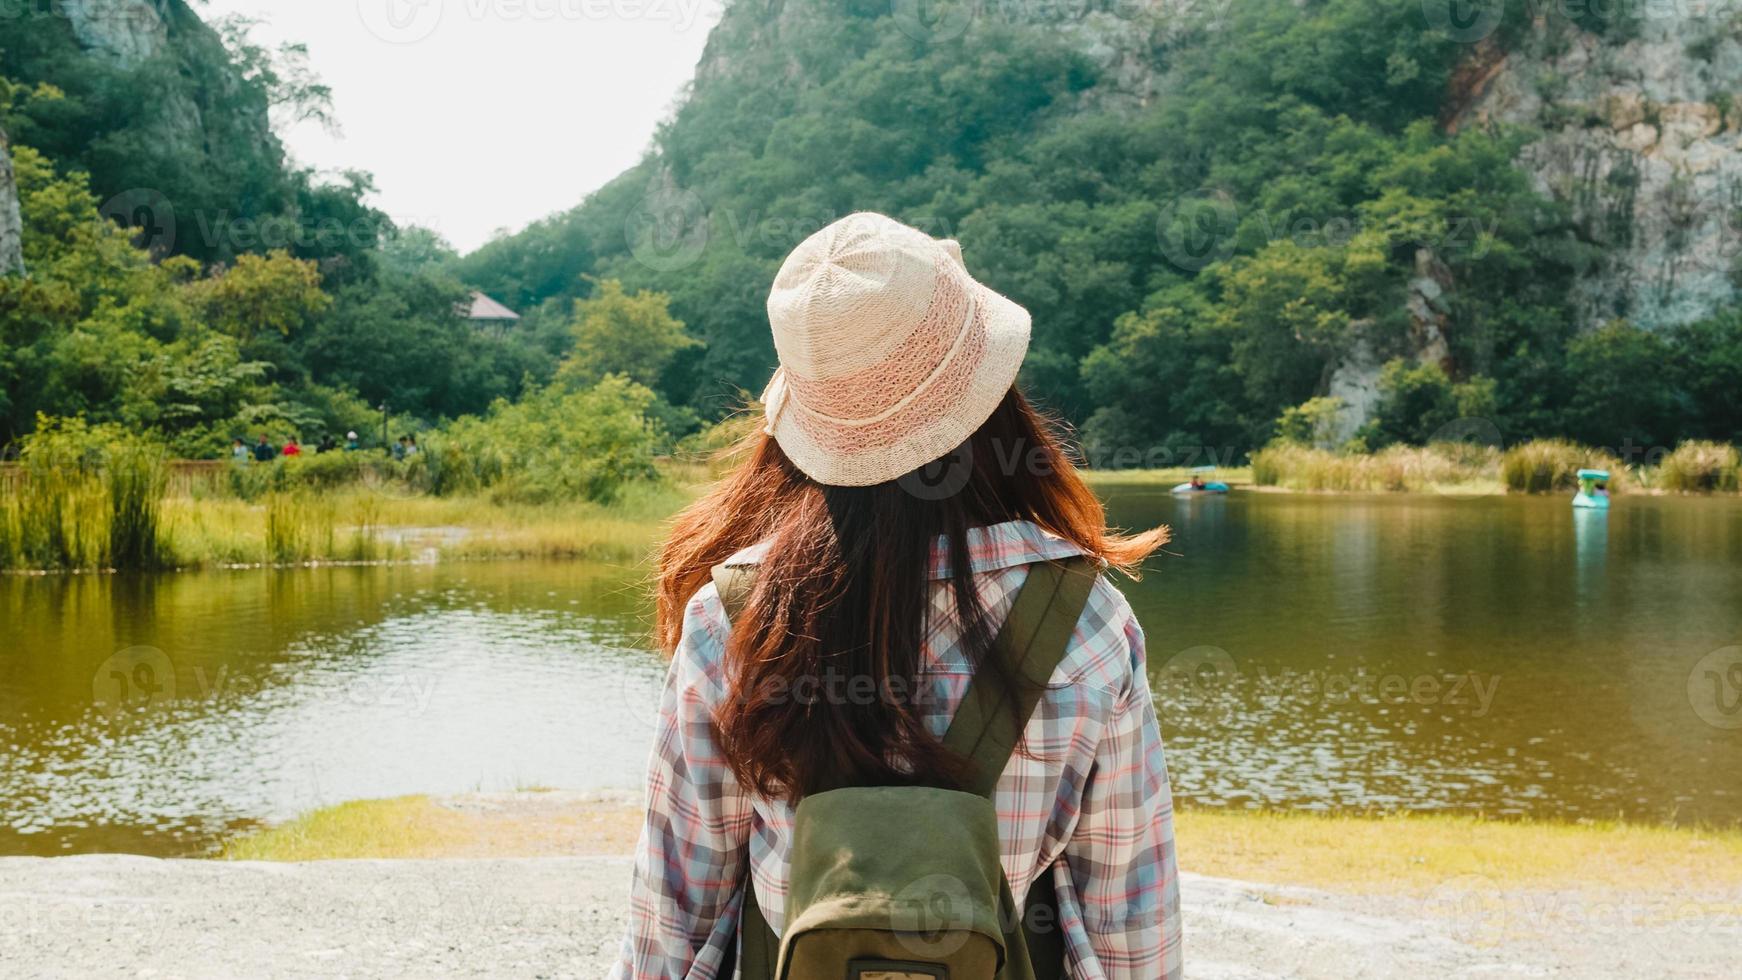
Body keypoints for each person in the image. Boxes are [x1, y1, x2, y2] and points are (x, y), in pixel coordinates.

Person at [613, 214, 1181, 980]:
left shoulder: (730, 620)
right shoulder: (1090, 620)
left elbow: (673, 917)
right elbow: (1127, 926)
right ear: (991, 400)